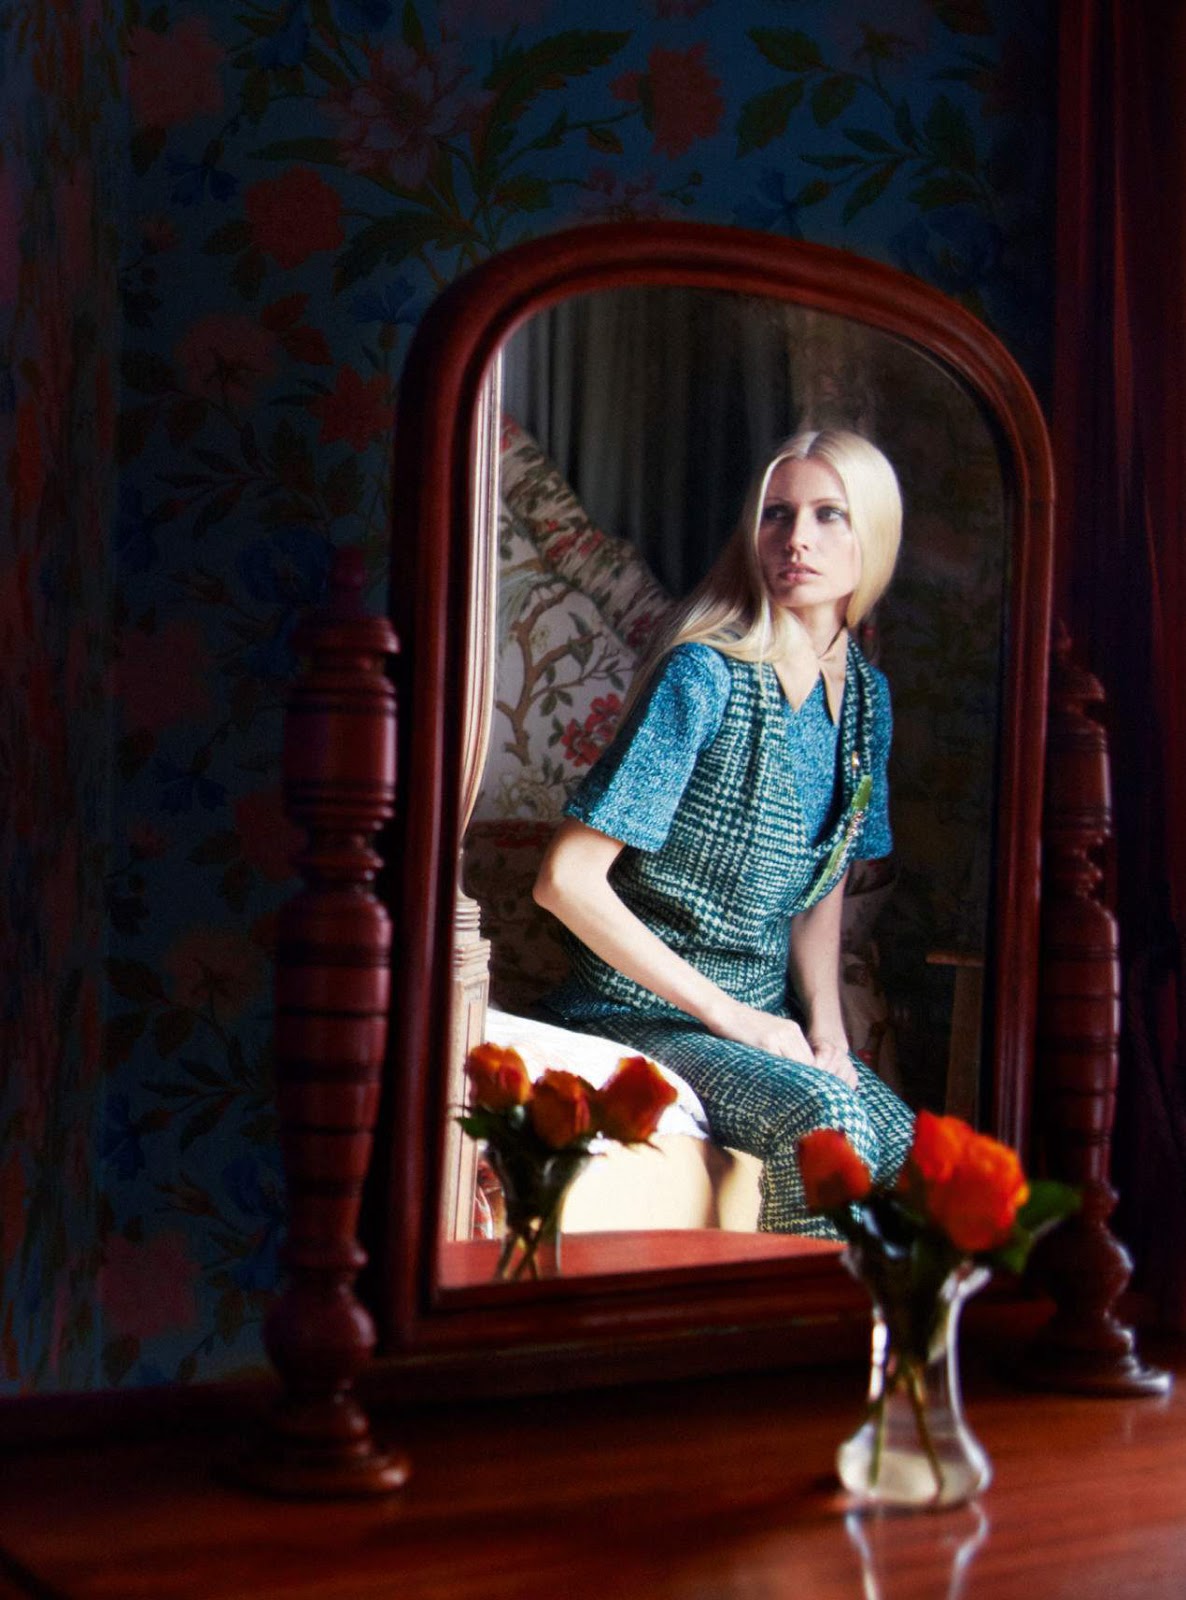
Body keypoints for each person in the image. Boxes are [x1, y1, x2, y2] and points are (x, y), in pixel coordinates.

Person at [531, 428, 915, 1235]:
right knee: (829, 1127)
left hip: (763, 1018)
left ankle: (878, 1326)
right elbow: (564, 882)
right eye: (776, 514)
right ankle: (781, 1320)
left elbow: (822, 886)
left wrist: (828, 1031)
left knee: (915, 1153)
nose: (796, 538)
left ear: (874, 536)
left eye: (829, 515)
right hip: (634, 1010)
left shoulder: (867, 702)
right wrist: (735, 1018)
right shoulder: (703, 676)